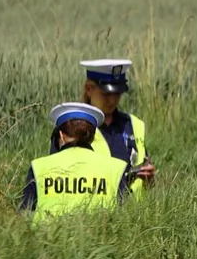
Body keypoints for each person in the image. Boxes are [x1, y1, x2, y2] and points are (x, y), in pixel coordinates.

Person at [51, 59, 154, 197]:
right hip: (92, 214)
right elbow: (55, 178)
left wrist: (149, 178)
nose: (112, 100)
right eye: (106, 94)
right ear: (89, 89)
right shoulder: (70, 127)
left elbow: (146, 177)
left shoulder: (134, 124)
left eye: (117, 94)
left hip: (134, 214)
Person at [19, 103, 131, 222]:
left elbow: (25, 214)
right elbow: (123, 218)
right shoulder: (115, 168)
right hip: (99, 239)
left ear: (61, 135)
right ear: (92, 138)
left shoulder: (39, 167)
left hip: (46, 238)